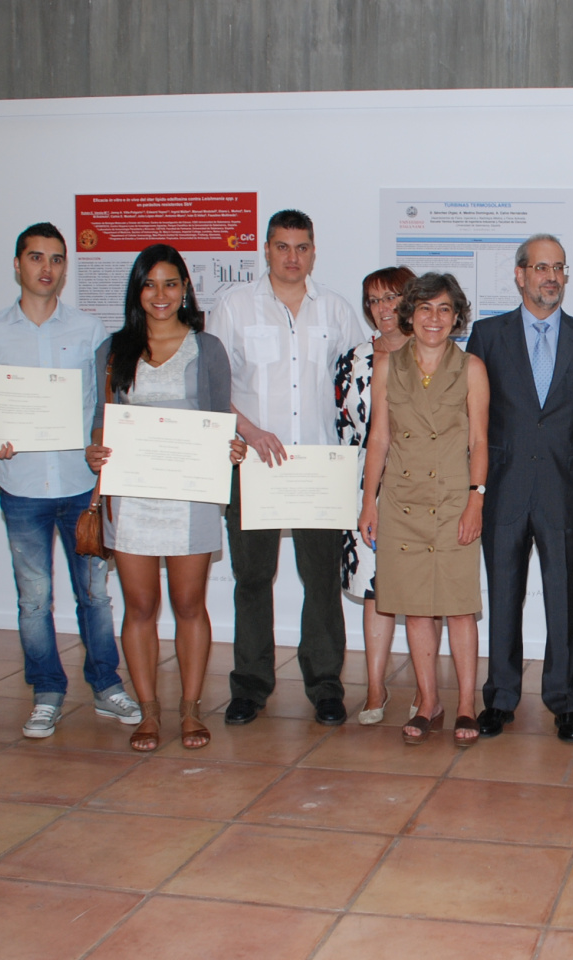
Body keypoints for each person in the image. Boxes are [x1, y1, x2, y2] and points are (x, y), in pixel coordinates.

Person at [0, 223, 140, 738]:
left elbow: (102, 406)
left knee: (96, 596)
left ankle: (107, 687)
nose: (47, 268)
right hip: (20, 487)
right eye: (36, 257)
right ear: (17, 264)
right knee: (34, 598)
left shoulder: (89, 330)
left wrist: (100, 446)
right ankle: (46, 692)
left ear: (65, 268)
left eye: (57, 259)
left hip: (78, 484)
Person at [84, 245, 246, 752]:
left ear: (185, 290)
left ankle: (191, 709)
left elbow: (220, 420)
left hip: (191, 499)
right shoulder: (112, 351)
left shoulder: (209, 348)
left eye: (170, 283)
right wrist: (95, 451)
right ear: (137, 291)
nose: (160, 295)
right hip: (131, 501)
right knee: (140, 606)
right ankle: (149, 712)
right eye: (150, 284)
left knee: (189, 605)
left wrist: (232, 448)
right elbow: (101, 423)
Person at [209, 210, 367, 728]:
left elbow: (354, 386)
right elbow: (214, 388)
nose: (292, 257)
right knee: (252, 577)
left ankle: (325, 686)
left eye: (302, 247)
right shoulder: (233, 307)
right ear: (266, 249)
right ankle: (251, 687)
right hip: (254, 463)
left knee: (320, 580)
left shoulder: (338, 311)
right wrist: (248, 432)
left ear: (314, 251)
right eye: (282, 247)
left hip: (319, 467)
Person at [466, 235, 573, 742]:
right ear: (520, 275)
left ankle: (566, 700)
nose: (551, 276)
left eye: (560, 268)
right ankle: (501, 697)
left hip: (563, 486)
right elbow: (474, 415)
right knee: (503, 594)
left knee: (564, 597)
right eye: (541, 267)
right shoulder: (486, 334)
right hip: (502, 486)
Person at [357, 274, 491, 745]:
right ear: (410, 314)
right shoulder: (388, 366)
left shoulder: (471, 367)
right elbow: (379, 438)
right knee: (415, 608)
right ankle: (429, 703)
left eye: (445, 310)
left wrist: (477, 497)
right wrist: (368, 502)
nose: (434, 319)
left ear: (457, 318)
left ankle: (467, 706)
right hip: (401, 500)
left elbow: (479, 440)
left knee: (459, 609)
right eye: (425, 309)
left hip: (454, 498)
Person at [336, 265, 417, 724]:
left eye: (390, 298)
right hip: (366, 488)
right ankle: (373, 687)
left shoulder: (433, 354)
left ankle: (426, 690)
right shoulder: (352, 360)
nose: (382, 309)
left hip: (421, 485)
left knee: (421, 590)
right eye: (373, 300)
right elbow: (343, 426)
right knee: (373, 588)